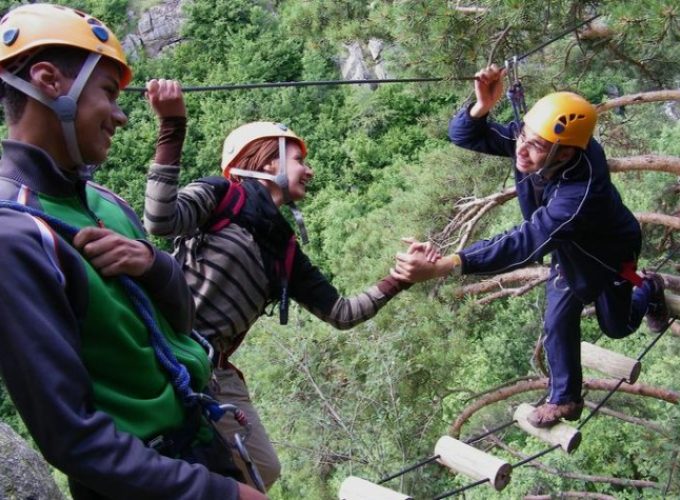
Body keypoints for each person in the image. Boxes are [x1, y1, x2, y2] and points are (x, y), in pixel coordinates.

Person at [0, 4, 265, 499]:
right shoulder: (14, 238)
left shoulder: (105, 204)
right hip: (139, 482)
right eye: (107, 92)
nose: (121, 116)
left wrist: (154, 265)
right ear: (48, 80)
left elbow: (181, 322)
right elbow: (71, 437)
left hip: (200, 446)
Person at [143, 81, 410, 487]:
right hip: (165, 344)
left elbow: (341, 313)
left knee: (263, 469)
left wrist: (401, 278)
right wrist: (172, 126)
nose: (309, 170)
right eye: (300, 159)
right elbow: (160, 220)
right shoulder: (221, 195)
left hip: (213, 368)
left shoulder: (284, 250)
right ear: (269, 160)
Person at [391, 65, 669, 428]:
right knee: (557, 319)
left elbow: (525, 242)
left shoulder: (579, 193)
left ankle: (648, 288)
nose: (521, 149)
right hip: (568, 250)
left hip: (608, 256)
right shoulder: (539, 140)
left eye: (535, 146)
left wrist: (446, 265)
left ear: (565, 154)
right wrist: (481, 107)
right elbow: (462, 135)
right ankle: (566, 399)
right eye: (521, 136)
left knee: (617, 326)